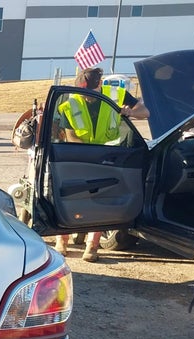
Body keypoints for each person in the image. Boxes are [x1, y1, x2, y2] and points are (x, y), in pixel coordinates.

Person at [54, 66, 149, 262]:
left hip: (108, 158)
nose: (86, 96)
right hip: (80, 156)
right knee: (70, 198)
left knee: (100, 202)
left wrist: (129, 112)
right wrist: (86, 156)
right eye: (83, 93)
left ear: (99, 85)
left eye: (89, 92)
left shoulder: (115, 94)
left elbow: (144, 112)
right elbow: (71, 136)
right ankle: (62, 242)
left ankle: (92, 246)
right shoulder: (71, 103)